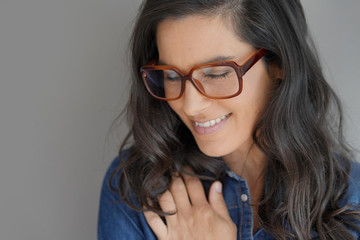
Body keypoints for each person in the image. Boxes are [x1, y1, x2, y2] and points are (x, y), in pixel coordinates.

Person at [98, 0, 360, 239]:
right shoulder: (135, 188)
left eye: (217, 74)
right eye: (172, 76)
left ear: (279, 62)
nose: (191, 106)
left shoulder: (352, 200)